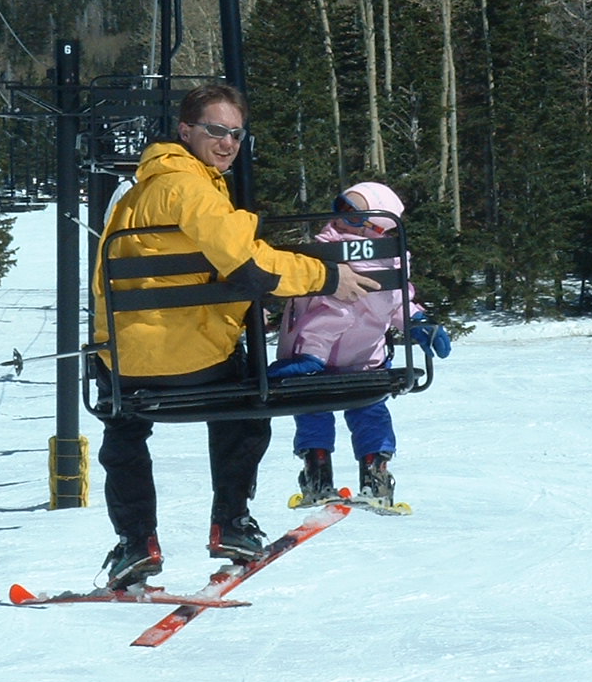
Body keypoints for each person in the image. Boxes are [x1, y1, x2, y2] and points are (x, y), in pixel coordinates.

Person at [92, 83, 380, 590]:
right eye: (216, 131)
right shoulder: (192, 189)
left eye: (236, 133)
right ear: (186, 131)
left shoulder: (138, 191)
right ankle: (231, 521)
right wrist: (327, 277)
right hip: (193, 365)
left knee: (123, 426)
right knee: (249, 397)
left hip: (127, 365)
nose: (227, 143)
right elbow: (246, 263)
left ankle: (136, 542)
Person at [270, 181, 451, 508]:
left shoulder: (321, 258)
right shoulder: (383, 263)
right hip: (364, 361)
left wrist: (420, 323)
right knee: (367, 406)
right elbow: (397, 304)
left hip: (319, 361)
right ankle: (367, 473)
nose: (340, 218)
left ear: (376, 229)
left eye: (353, 216)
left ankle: (324, 472)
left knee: (320, 406)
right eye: (340, 207)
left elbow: (382, 307)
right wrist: (416, 320)